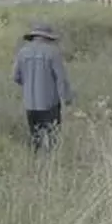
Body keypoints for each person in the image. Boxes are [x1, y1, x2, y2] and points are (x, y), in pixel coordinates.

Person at [13, 22, 73, 151]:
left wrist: (28, 85)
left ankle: (36, 162)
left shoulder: (22, 52)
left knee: (35, 137)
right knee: (52, 137)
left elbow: (16, 77)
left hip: (30, 104)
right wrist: (66, 98)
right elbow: (61, 79)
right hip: (49, 103)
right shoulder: (53, 52)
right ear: (47, 37)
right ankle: (51, 164)